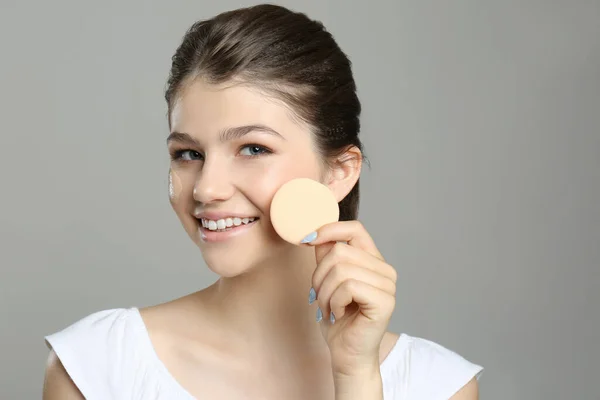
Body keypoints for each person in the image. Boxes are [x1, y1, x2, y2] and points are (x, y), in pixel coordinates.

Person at [42, 4, 483, 399]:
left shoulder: (435, 385)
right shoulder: (96, 368)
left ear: (339, 172)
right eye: (188, 154)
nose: (206, 189)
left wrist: (356, 378)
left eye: (253, 149)